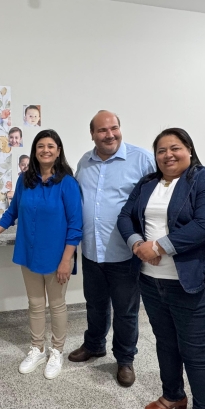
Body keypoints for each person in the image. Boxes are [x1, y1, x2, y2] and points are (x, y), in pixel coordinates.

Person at [117, 127, 205, 409]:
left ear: (190, 150)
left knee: (196, 353)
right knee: (166, 342)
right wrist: (137, 244)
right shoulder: (147, 184)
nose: (168, 155)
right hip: (152, 281)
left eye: (175, 148)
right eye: (161, 150)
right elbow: (125, 217)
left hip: (196, 283)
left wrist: (159, 247)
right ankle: (173, 396)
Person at [0, 129, 82, 380]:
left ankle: (57, 351)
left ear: (58, 151)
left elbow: (76, 225)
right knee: (35, 304)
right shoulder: (25, 180)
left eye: (51, 146)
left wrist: (66, 259)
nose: (45, 150)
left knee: (57, 305)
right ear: (34, 151)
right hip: (30, 251)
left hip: (57, 256)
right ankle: (38, 349)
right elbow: (11, 213)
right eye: (40, 146)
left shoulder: (67, 183)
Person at [70, 111, 155, 387]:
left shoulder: (142, 159)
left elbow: (157, 199)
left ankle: (125, 358)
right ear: (92, 134)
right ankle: (94, 344)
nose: (110, 135)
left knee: (126, 311)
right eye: (102, 130)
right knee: (94, 304)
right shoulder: (85, 161)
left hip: (125, 253)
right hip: (91, 251)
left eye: (114, 128)